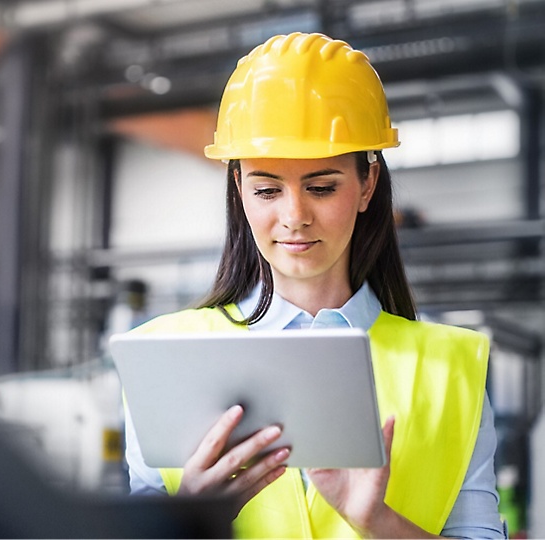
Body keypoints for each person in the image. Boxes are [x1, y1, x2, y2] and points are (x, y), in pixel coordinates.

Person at [123, 32, 506, 538]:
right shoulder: (163, 356)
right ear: (239, 190)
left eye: (322, 187)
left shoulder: (451, 368)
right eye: (266, 190)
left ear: (367, 184)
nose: (294, 217)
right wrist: (187, 517)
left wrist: (379, 521)